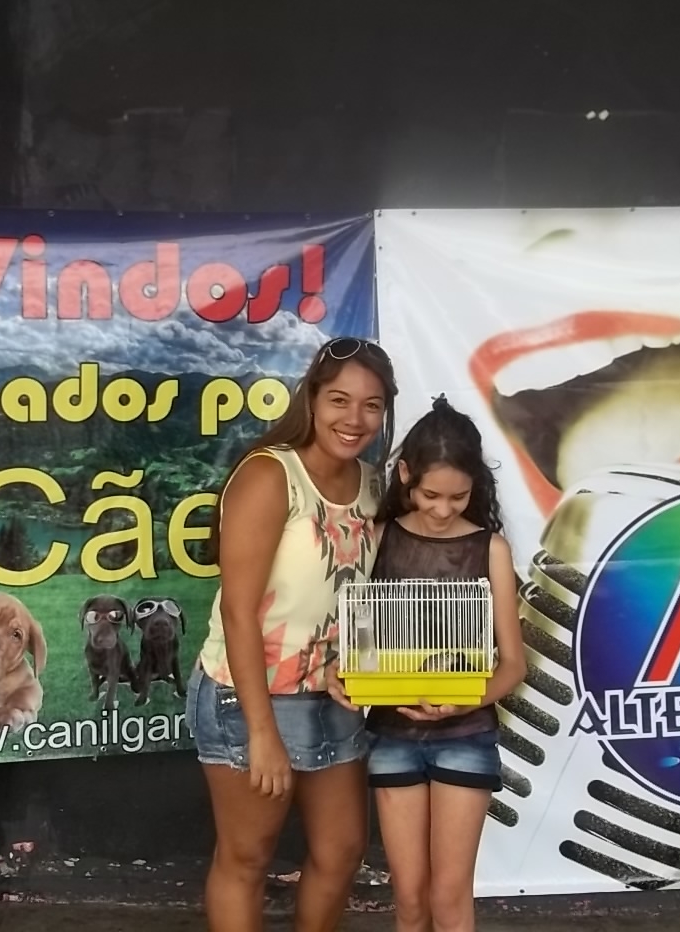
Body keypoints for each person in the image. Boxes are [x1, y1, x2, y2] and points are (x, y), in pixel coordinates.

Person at [187, 336, 399, 932]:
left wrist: (355, 664)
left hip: (328, 696)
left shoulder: (372, 485)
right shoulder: (270, 475)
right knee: (247, 857)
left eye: (372, 405)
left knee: (342, 851)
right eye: (339, 400)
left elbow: (358, 597)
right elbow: (238, 612)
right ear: (312, 398)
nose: (354, 419)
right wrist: (262, 733)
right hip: (246, 696)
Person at [329, 395, 527, 932]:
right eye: (431, 495)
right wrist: (341, 671)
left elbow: (513, 665)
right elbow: (352, 639)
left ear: (475, 486)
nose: (443, 510)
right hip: (391, 734)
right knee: (411, 899)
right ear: (406, 477)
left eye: (458, 497)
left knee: (449, 897)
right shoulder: (378, 539)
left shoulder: (490, 549)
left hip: (467, 735)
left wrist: (462, 702)